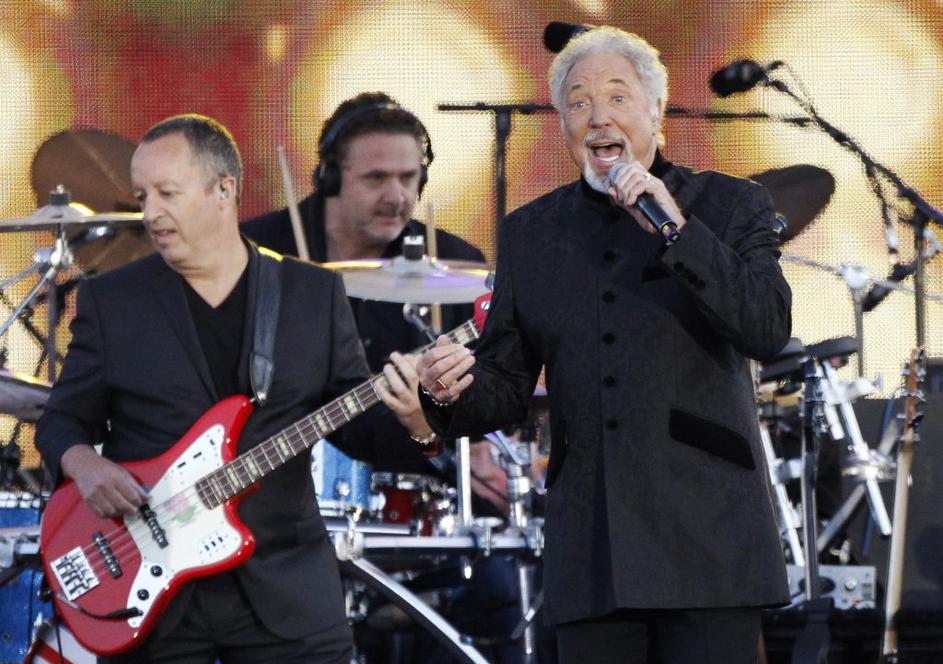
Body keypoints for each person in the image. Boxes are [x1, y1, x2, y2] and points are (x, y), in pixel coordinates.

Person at [416, 26, 792, 664]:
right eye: (579, 103)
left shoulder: (731, 205)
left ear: (656, 111)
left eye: (618, 97)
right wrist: (449, 392)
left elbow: (766, 327)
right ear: (564, 123)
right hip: (593, 548)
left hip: (709, 539)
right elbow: (505, 387)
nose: (598, 117)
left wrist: (676, 228)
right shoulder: (532, 233)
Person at [35, 114, 431, 664]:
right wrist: (85, 465)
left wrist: (418, 422)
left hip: (286, 589)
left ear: (224, 190)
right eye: (143, 196)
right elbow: (61, 420)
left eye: (167, 193)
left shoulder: (311, 293)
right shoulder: (113, 300)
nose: (150, 213)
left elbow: (359, 430)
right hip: (153, 592)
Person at [243, 93, 531, 662]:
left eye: (408, 177)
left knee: (502, 591)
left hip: (413, 497)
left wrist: (469, 439)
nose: (396, 196)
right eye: (376, 178)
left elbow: (492, 392)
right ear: (330, 177)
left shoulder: (453, 263)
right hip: (272, 493)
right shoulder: (258, 254)